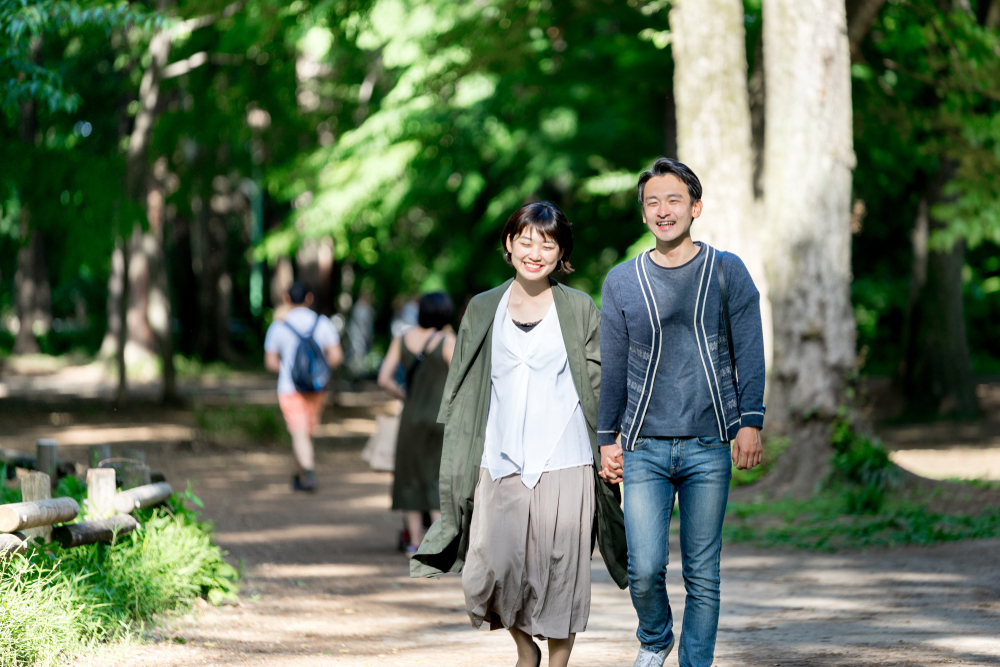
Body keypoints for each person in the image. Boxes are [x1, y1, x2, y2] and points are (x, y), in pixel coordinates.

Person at [410, 202, 628, 667]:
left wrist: (613, 440)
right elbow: (465, 389)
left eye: (547, 243)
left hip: (566, 457)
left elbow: (602, 381)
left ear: (561, 251)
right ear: (509, 245)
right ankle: (524, 648)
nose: (535, 251)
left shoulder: (579, 307)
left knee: (562, 572)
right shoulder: (484, 307)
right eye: (525, 240)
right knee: (497, 566)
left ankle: (555, 664)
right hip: (500, 456)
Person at [597, 158, 766, 667]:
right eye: (652, 201)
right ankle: (654, 638)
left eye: (674, 200)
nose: (663, 210)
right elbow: (614, 366)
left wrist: (750, 421)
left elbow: (749, 350)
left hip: (710, 443)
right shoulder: (622, 281)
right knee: (645, 568)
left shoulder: (726, 271)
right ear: (644, 213)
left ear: (695, 207)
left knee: (702, 572)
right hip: (643, 446)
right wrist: (607, 437)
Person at [377, 292, 457, 554]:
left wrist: (404, 394)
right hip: (441, 420)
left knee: (410, 479)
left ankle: (414, 542)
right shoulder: (448, 341)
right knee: (437, 480)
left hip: (410, 419)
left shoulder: (402, 339)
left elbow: (384, 378)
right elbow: (462, 381)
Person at [264, 280, 344, 492]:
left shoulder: (279, 325)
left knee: (299, 432)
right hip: (317, 387)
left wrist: (289, 369)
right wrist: (318, 370)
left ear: (286, 298)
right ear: (309, 298)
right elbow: (336, 357)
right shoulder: (323, 323)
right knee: (305, 432)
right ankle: (299, 474)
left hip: (290, 388)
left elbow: (270, 362)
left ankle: (307, 472)